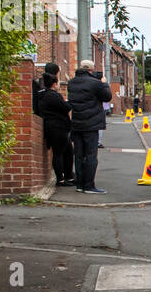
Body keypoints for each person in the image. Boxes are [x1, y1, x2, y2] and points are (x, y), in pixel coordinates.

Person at [68, 60, 111, 193]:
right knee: (91, 156)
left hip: (76, 123)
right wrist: (104, 83)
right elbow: (107, 97)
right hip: (91, 124)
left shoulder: (71, 83)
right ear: (91, 70)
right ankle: (89, 185)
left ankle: (80, 184)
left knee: (79, 155)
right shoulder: (96, 83)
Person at [37, 73, 75, 187]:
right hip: (58, 127)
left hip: (52, 126)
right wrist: (69, 102)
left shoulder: (42, 95)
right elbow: (65, 107)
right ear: (54, 84)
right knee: (59, 153)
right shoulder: (53, 96)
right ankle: (60, 179)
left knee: (68, 151)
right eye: (58, 83)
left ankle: (69, 176)